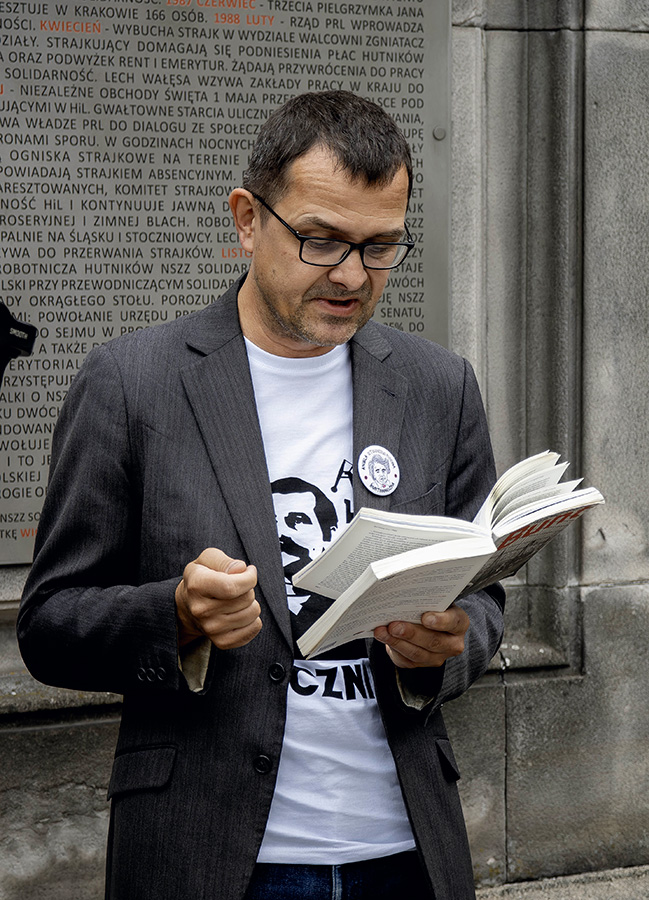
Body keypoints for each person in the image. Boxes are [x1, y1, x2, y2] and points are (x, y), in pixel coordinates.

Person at [17, 91, 505, 900]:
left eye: (380, 246)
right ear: (247, 220)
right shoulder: (131, 384)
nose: (351, 275)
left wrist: (445, 645)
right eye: (321, 240)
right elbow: (49, 624)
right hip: (207, 851)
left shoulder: (437, 386)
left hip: (406, 850)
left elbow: (483, 598)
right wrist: (175, 615)